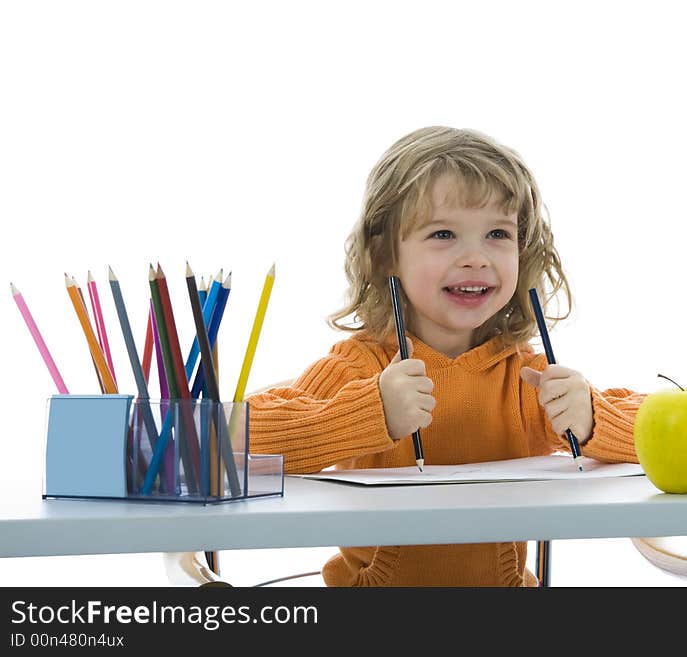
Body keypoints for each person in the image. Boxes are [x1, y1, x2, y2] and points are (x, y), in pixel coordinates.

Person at [247, 125, 645, 586]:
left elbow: (664, 430)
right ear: (384, 254)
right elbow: (235, 440)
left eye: (498, 232)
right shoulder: (362, 368)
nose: (475, 257)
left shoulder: (527, 379)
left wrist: (595, 419)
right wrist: (368, 413)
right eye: (443, 234)